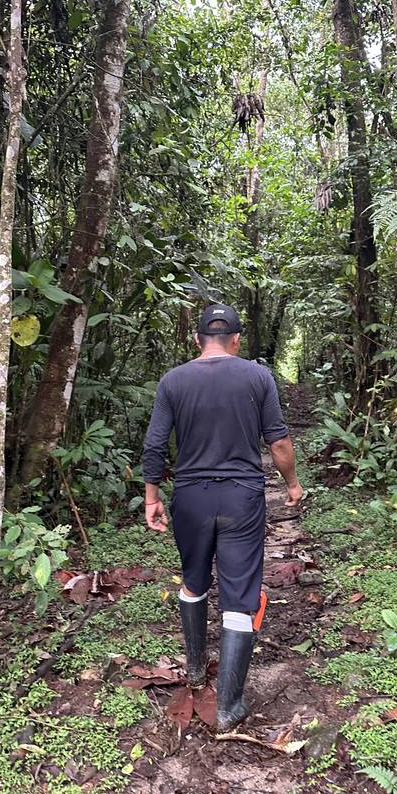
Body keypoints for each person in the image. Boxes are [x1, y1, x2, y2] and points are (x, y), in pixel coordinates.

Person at [141, 303, 303, 732]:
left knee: (193, 580)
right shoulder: (257, 376)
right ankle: (229, 705)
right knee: (239, 593)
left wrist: (151, 497)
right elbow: (280, 442)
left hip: (191, 498)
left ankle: (195, 670)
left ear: (197, 339)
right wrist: (291, 484)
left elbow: (155, 445)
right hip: (242, 499)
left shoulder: (173, 381)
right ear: (236, 340)